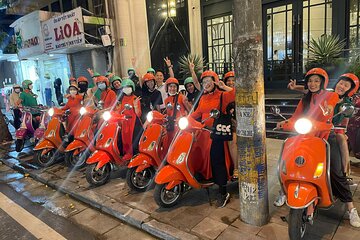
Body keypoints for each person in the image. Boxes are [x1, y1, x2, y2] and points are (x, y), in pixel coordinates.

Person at [275, 68, 360, 228]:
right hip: (306, 135)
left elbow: (331, 104)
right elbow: (296, 117)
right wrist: (284, 122)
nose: (313, 84)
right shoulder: (305, 99)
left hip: (326, 137)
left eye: (316, 81)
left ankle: (350, 208)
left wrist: (328, 109)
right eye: (310, 81)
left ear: (323, 83)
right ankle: (284, 191)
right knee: (288, 162)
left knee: (335, 171)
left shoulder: (331, 95)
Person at [190, 70, 235, 208]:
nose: (206, 84)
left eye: (209, 81)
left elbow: (238, 94)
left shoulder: (222, 95)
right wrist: (184, 120)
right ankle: (206, 180)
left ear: (215, 81)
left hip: (217, 133)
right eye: (204, 82)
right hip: (202, 134)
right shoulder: (203, 98)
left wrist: (224, 86)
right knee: (199, 156)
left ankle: (223, 192)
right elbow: (196, 113)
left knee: (217, 160)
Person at [117, 79, 142, 160]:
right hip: (124, 121)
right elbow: (119, 111)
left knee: (133, 139)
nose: (126, 88)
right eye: (125, 87)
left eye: (128, 87)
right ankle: (126, 153)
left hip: (134, 122)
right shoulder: (121, 99)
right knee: (124, 139)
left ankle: (134, 155)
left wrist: (135, 106)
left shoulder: (135, 99)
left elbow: (138, 114)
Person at [163, 77, 191, 150]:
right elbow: (168, 113)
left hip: (181, 127)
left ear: (177, 88)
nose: (172, 88)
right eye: (170, 86)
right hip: (171, 126)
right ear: (167, 88)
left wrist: (185, 117)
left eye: (174, 86)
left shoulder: (182, 98)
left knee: (181, 146)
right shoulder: (166, 100)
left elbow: (191, 111)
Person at [223, 71, 238, 179]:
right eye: (228, 80)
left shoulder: (240, 91)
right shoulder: (223, 93)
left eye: (233, 80)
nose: (231, 82)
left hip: (241, 123)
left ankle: (237, 168)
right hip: (227, 123)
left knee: (233, 140)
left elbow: (236, 93)